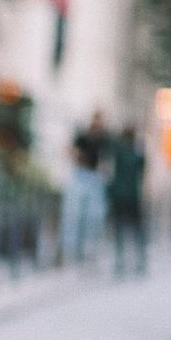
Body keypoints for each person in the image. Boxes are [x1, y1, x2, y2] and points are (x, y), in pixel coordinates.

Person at [60, 109, 111, 262]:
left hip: (94, 177)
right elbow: (69, 150)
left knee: (93, 216)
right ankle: (70, 250)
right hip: (81, 174)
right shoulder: (83, 135)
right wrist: (77, 159)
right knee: (73, 214)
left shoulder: (104, 138)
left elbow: (107, 158)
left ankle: (88, 250)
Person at [107, 124, 147, 276]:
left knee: (120, 230)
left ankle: (121, 261)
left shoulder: (118, 151)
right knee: (137, 231)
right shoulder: (137, 154)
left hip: (120, 196)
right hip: (132, 196)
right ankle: (140, 261)